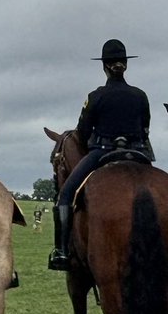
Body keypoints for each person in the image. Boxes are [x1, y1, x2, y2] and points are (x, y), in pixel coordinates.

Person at [48, 39, 152, 271]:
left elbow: (83, 132)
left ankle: (62, 252)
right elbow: (145, 129)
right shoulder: (140, 95)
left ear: (104, 66)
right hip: (137, 153)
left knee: (65, 196)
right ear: (125, 64)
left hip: (102, 152)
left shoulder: (95, 97)